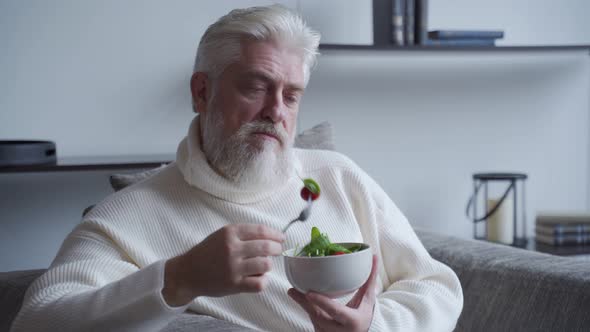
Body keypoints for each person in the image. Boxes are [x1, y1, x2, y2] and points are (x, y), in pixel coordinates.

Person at [11, 5, 463, 332]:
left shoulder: (338, 176)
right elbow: (36, 319)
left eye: (291, 96)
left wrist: (374, 325)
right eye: (256, 87)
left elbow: (437, 285)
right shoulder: (129, 216)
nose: (276, 112)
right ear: (201, 92)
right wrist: (182, 278)